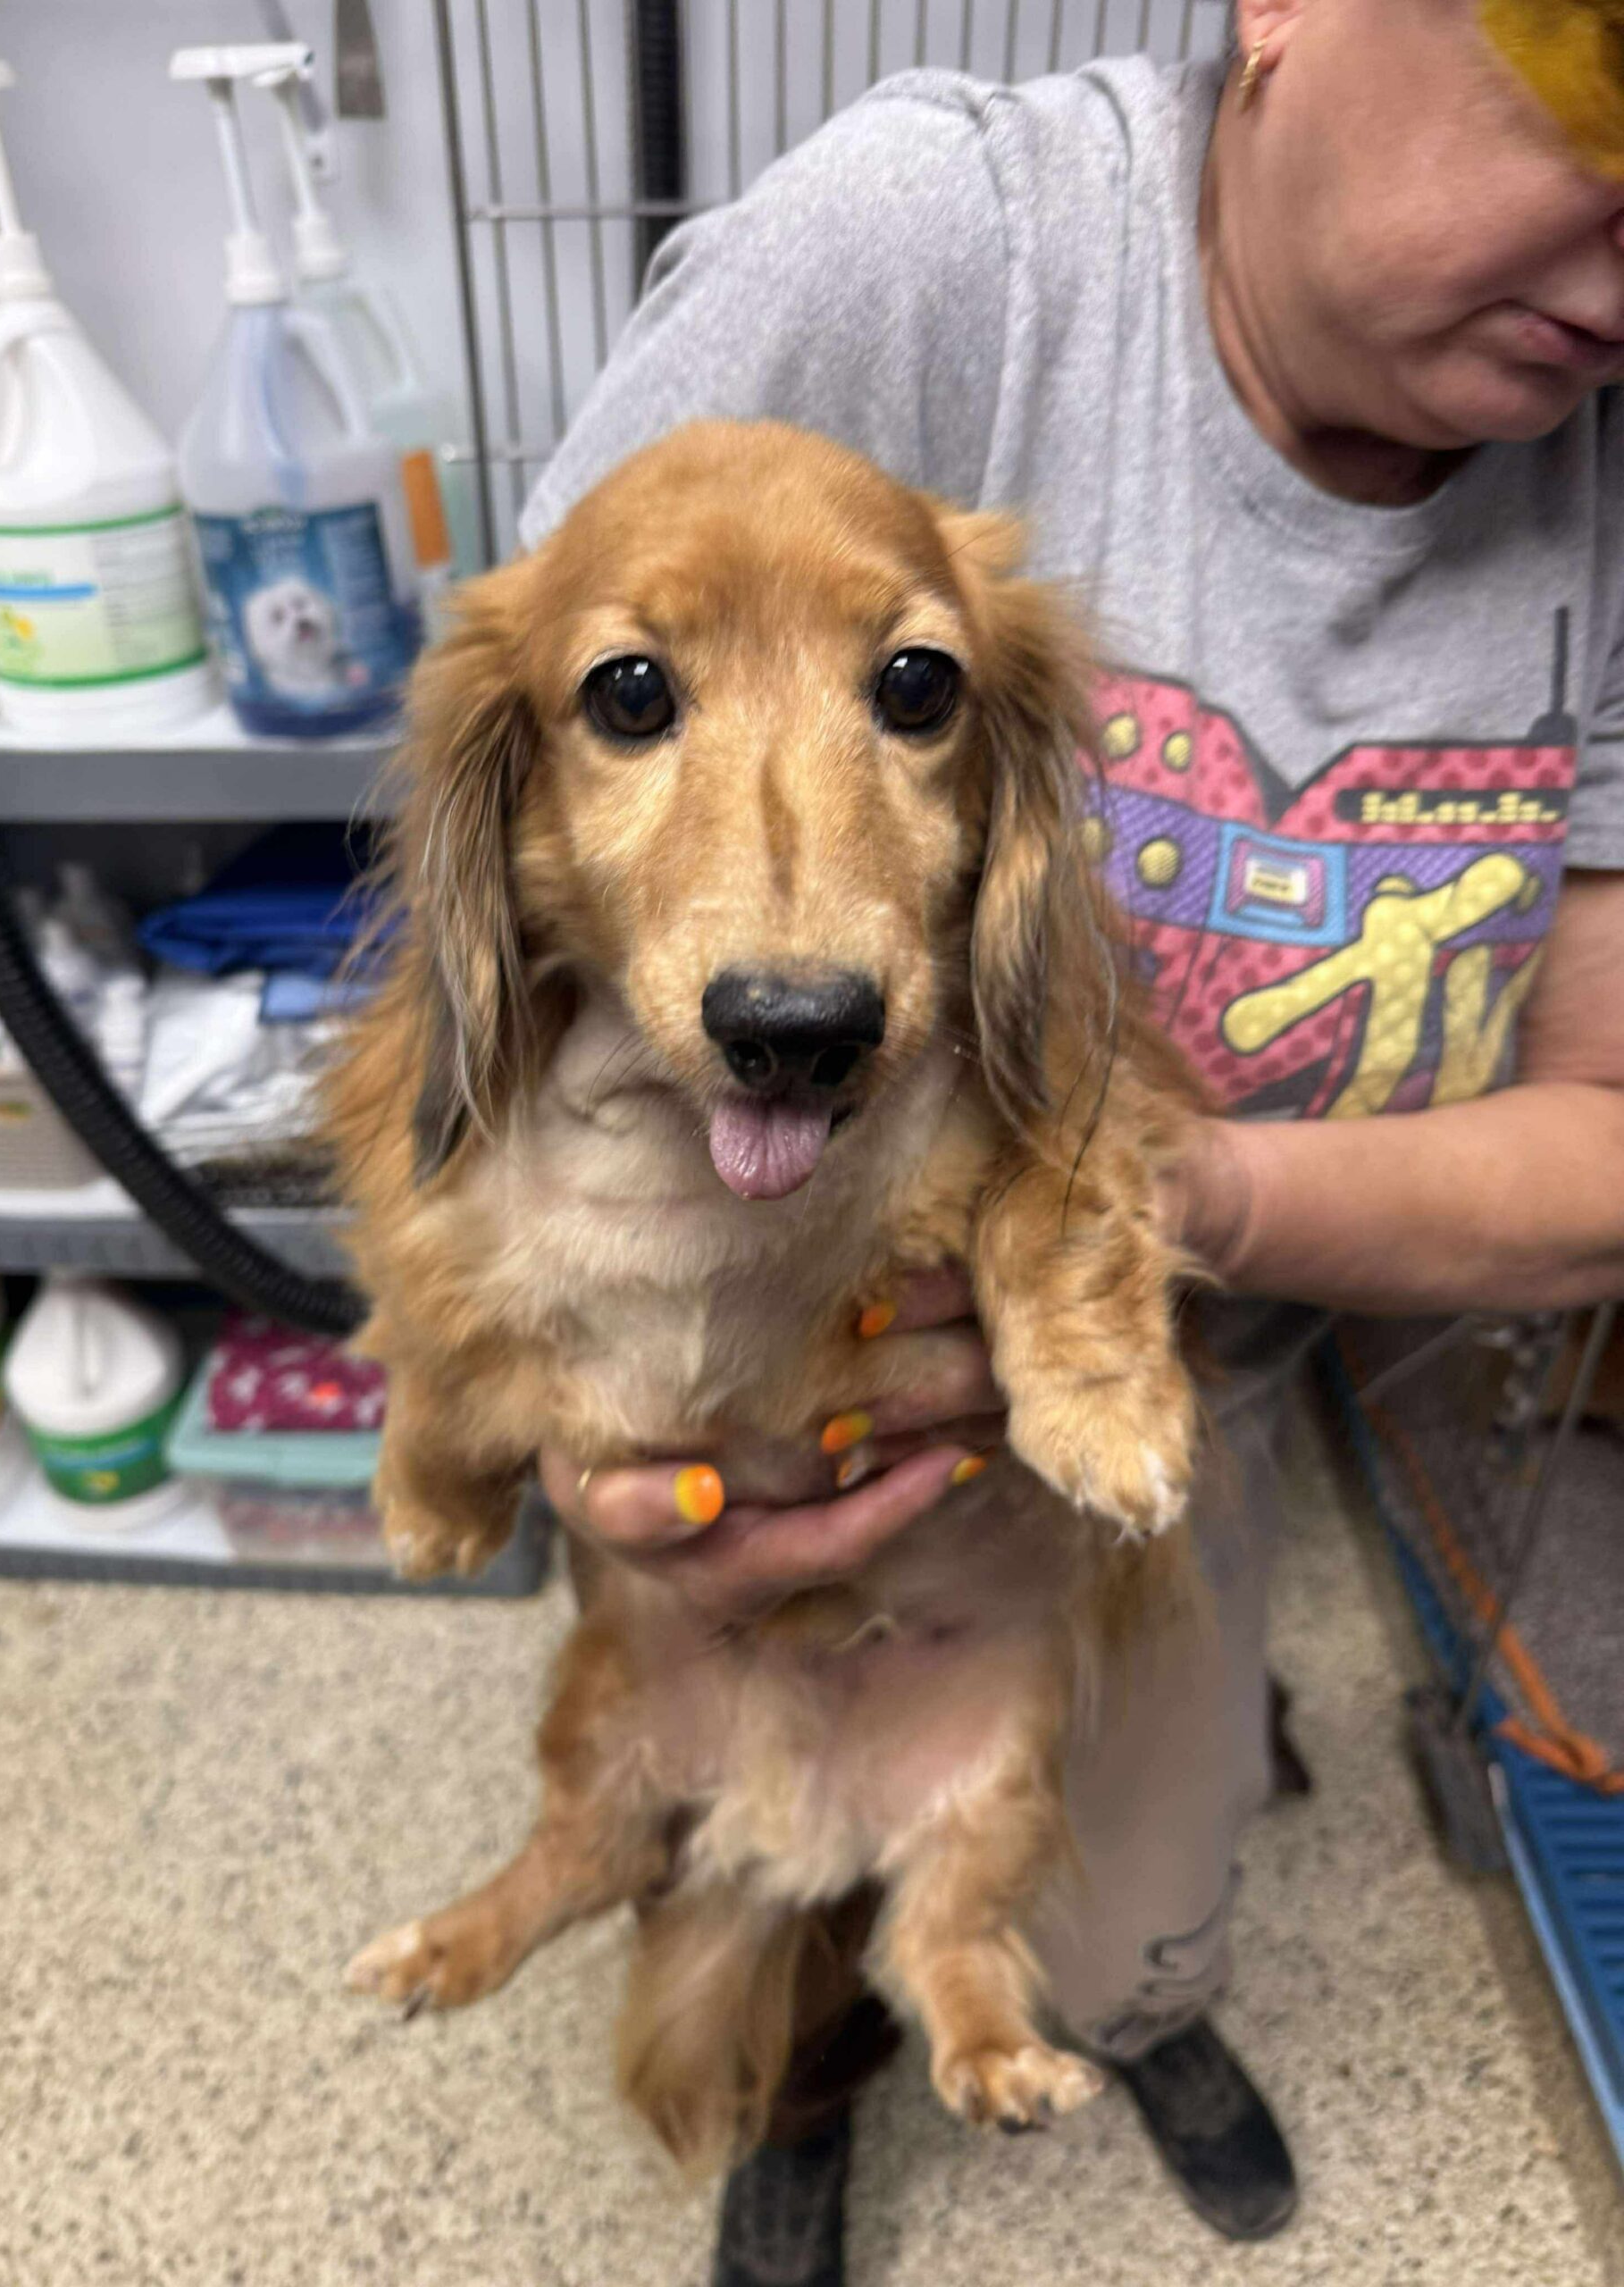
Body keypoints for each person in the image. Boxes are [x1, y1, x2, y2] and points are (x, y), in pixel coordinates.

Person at [515, 3, 1624, 2278]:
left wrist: (1158, 1206)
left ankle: (1130, 2000)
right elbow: (530, 834)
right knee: (747, 1832)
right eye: (1609, 97)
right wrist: (552, 1368)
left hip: (1184, 1383)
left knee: (1112, 1900)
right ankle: (797, 2104)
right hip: (745, 1327)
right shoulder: (933, 254)